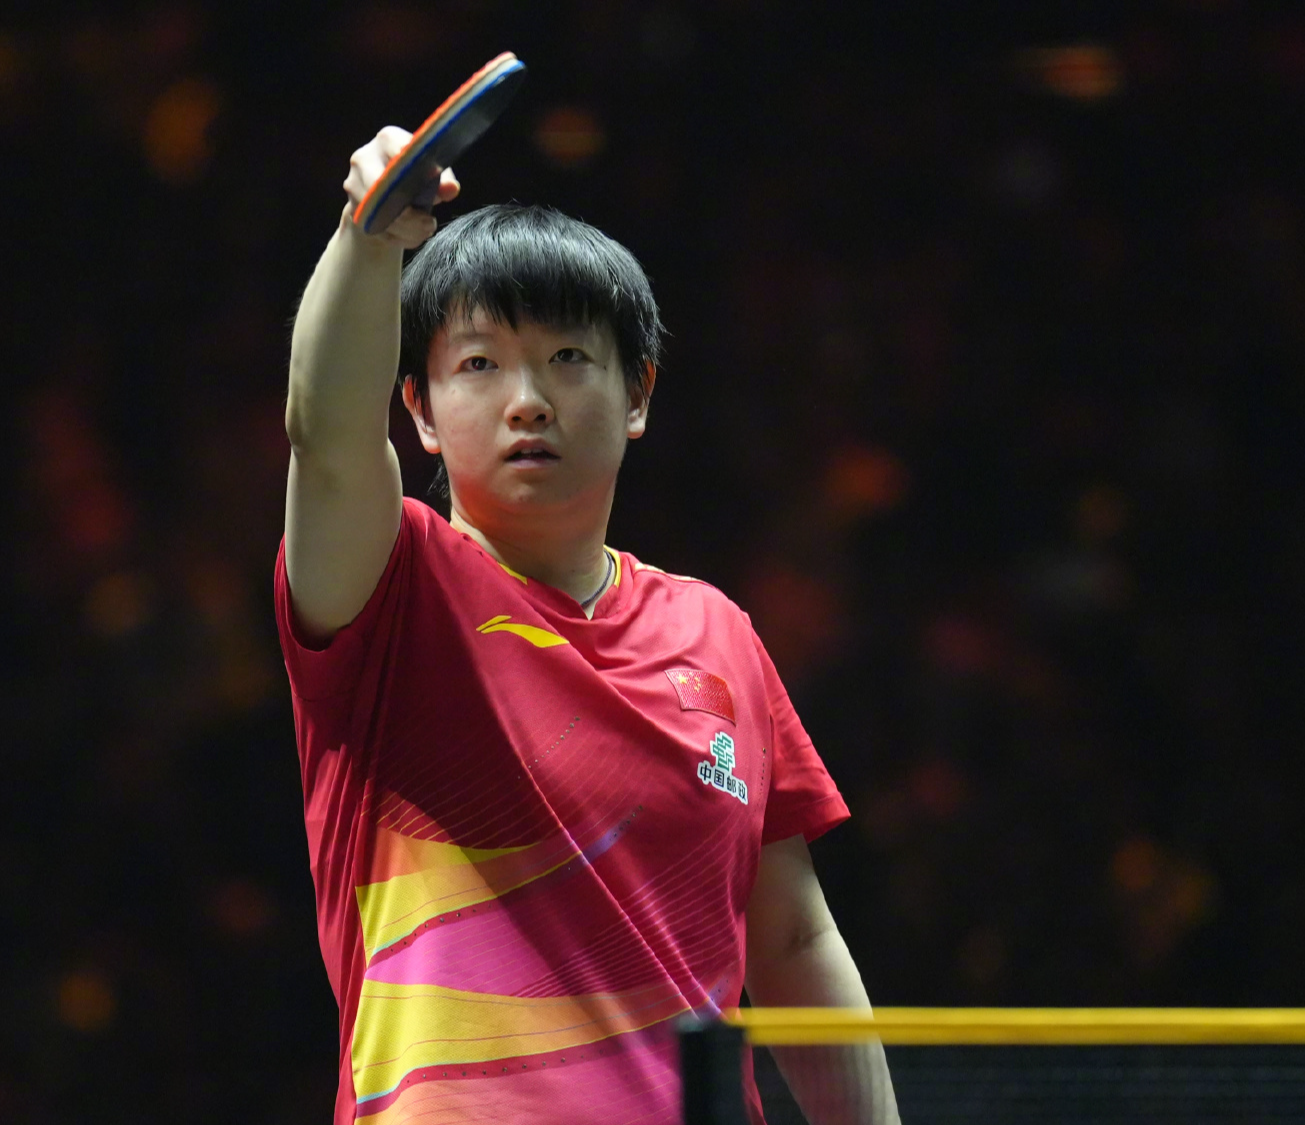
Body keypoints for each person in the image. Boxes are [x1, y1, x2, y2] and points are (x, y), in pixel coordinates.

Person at [276, 123, 900, 1125]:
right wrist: (366, 240)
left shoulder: (717, 634)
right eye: (478, 365)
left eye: (568, 356)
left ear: (637, 393)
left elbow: (791, 942)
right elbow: (327, 434)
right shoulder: (391, 591)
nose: (527, 401)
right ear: (422, 412)